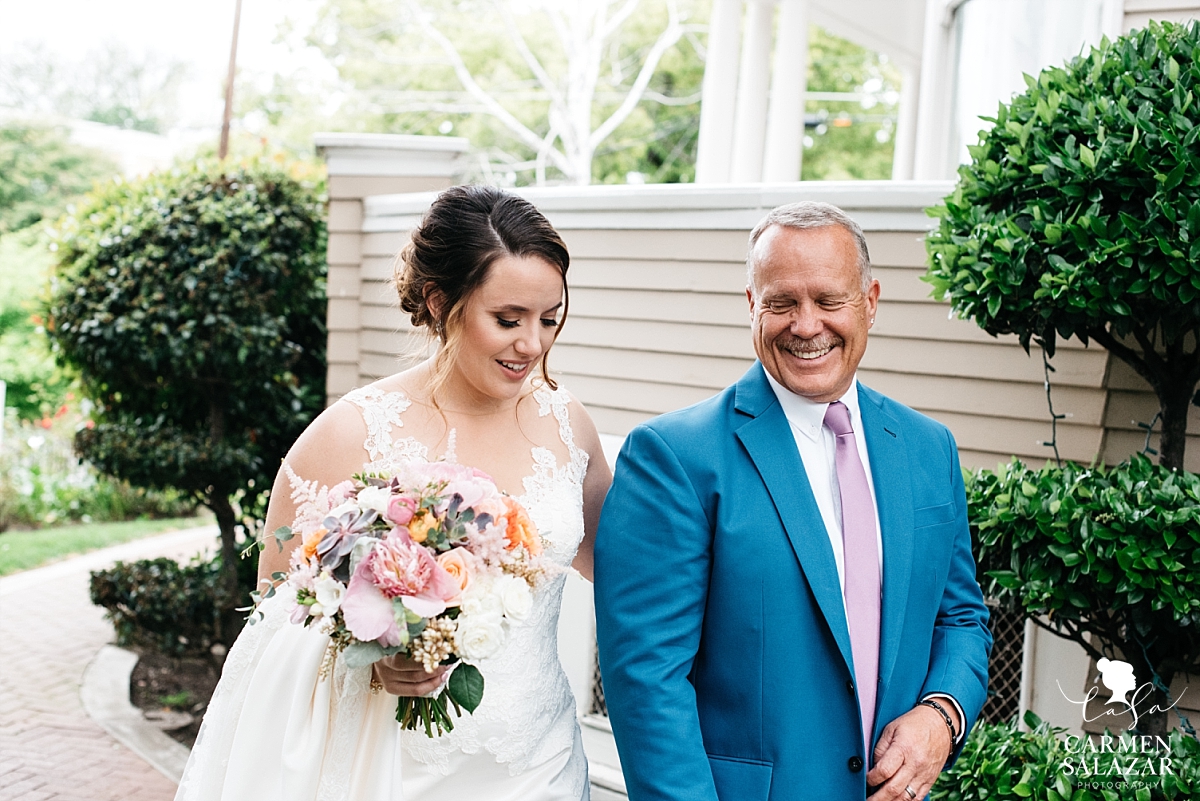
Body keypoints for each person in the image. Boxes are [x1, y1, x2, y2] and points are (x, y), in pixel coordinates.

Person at [176, 185, 612, 801]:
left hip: (536, 761)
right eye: (508, 320)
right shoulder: (349, 433)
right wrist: (376, 648)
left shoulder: (568, 424)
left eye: (549, 318)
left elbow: (622, 569)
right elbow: (276, 621)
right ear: (441, 303)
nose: (533, 345)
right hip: (388, 770)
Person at [594, 201, 992, 800]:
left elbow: (960, 617)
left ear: (872, 301)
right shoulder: (674, 458)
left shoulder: (928, 447)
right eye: (782, 303)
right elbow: (647, 680)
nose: (806, 326)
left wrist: (944, 714)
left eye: (829, 301)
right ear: (752, 305)